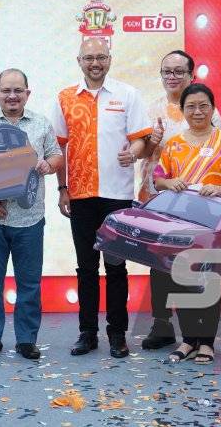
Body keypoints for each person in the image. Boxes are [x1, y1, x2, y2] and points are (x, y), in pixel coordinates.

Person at [51, 38, 152, 358]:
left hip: (117, 196)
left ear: (110, 59)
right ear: (79, 60)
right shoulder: (65, 97)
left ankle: (118, 334)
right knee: (86, 268)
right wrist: (62, 188)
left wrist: (132, 155)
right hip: (80, 194)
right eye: (89, 58)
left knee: (117, 267)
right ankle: (87, 333)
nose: (95, 63)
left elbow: (140, 140)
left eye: (101, 57)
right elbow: (59, 149)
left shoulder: (128, 94)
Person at [152, 83, 221, 365]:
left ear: (213, 108)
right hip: (180, 225)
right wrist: (169, 182)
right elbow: (158, 179)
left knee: (209, 280)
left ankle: (206, 343)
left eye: (203, 106)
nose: (197, 112)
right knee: (182, 280)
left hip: (215, 226)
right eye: (191, 107)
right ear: (182, 110)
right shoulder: (173, 144)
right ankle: (188, 340)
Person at [0, 69, 63, 360]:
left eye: (18, 91)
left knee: (29, 284)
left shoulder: (40, 123)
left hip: (30, 218)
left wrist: (49, 165)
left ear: (27, 93)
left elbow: (56, 155)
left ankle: (26, 340)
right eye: (6, 91)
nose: (12, 96)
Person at [138, 49, 221, 351]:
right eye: (167, 72)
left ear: (191, 75)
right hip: (160, 196)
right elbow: (143, 152)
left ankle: (198, 331)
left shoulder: (208, 110)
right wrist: (152, 141)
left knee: (197, 262)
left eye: (179, 71)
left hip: (199, 202)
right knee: (159, 262)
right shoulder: (151, 109)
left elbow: (220, 153)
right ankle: (161, 324)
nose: (172, 77)